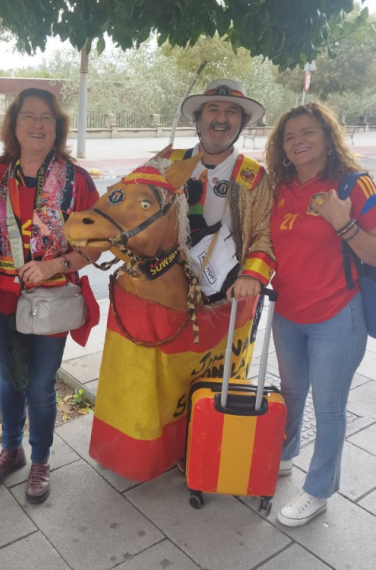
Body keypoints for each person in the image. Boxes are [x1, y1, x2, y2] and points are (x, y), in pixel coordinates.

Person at [0, 88, 99, 504]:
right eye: (28, 116)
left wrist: (54, 265)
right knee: (11, 380)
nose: (37, 125)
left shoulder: (77, 181)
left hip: (51, 300)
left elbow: (98, 244)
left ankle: (42, 459)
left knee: (42, 386)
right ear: (13, 124)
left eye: (46, 117)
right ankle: (11, 451)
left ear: (57, 126)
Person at [265, 102, 376, 527]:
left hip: (337, 315)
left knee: (329, 407)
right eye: (289, 137)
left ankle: (318, 490)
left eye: (308, 132)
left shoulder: (352, 187)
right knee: (292, 393)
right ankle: (285, 457)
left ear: (329, 138)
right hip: (288, 313)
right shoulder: (282, 188)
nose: (298, 142)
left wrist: (343, 224)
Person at [167, 78, 276, 301]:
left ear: (242, 122)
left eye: (232, 111)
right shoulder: (168, 162)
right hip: (167, 285)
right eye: (213, 109)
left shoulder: (254, 175)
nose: (222, 119)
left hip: (226, 292)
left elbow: (265, 232)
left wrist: (251, 275)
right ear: (199, 117)